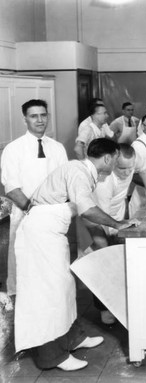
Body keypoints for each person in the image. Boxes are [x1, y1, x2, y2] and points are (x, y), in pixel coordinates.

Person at [14, 138, 139, 371]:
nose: (115, 166)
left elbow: (85, 215)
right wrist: (117, 224)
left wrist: (104, 238)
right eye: (115, 160)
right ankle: (52, 357)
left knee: (65, 288)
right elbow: (88, 210)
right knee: (48, 294)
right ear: (108, 157)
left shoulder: (82, 171)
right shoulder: (79, 172)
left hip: (52, 233)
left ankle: (73, 339)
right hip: (41, 234)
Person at [85, 143, 146, 325]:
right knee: (103, 262)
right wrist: (109, 241)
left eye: (130, 168)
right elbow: (99, 217)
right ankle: (104, 308)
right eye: (121, 168)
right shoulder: (104, 182)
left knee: (122, 260)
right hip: (96, 218)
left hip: (118, 215)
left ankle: (123, 303)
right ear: (113, 161)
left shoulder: (133, 160)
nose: (127, 172)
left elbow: (143, 168)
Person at [0, 99, 68, 297]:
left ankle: (52, 306)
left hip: (53, 217)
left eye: (43, 115)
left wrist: (57, 211)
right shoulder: (14, 149)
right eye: (34, 116)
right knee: (25, 264)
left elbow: (64, 181)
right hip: (25, 216)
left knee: (53, 264)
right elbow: (12, 188)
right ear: (25, 120)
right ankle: (24, 307)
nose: (40, 120)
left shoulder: (57, 147)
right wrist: (34, 211)